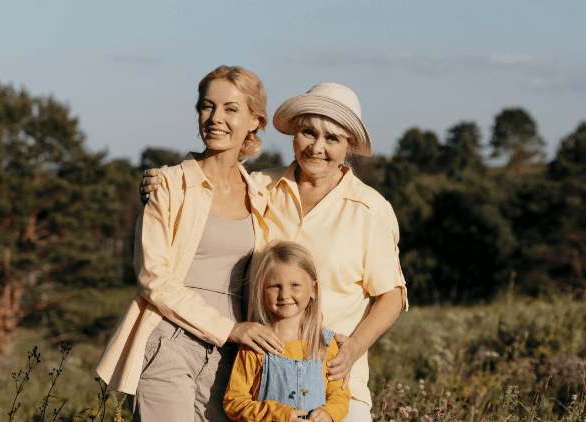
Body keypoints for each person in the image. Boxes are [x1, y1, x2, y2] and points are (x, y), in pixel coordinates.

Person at [141, 82, 408, 422]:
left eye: (333, 139)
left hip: (334, 387)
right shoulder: (258, 187)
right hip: (257, 383)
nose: (317, 147)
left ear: (349, 146)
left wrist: (354, 348)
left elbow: (392, 294)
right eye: (309, 132)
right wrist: (164, 183)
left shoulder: (370, 209)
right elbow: (205, 187)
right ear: (295, 132)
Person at [96, 65, 287, 422]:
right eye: (206, 106)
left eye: (231, 109)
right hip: (170, 340)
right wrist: (228, 329)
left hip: (234, 355)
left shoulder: (262, 194)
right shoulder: (168, 185)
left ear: (254, 121)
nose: (215, 118)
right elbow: (153, 278)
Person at [223, 240, 350, 422]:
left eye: (295, 285)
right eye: (275, 286)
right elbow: (234, 402)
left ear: (313, 288)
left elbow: (339, 394)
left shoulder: (326, 344)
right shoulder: (255, 344)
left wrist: (329, 413)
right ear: (262, 290)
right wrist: (277, 414)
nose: (284, 294)